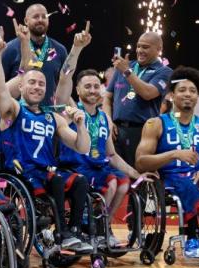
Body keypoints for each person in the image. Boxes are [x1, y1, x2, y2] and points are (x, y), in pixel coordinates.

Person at [0, 27, 92, 252]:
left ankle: (74, 231)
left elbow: (82, 147)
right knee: (55, 179)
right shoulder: (13, 111)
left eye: (41, 84)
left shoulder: (53, 117)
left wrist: (82, 126)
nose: (37, 87)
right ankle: (61, 233)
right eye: (32, 83)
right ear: (21, 86)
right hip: (21, 172)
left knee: (80, 180)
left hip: (45, 172)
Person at [135, 67, 199, 258]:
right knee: (189, 182)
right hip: (170, 179)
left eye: (193, 91)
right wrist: (174, 154)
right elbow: (141, 162)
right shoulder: (155, 124)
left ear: (197, 96)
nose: (188, 94)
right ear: (171, 95)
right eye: (182, 90)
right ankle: (197, 236)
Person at [56, 66, 151, 247]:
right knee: (112, 183)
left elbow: (112, 154)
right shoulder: (70, 113)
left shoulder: (105, 118)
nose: (92, 90)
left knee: (123, 183)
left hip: (98, 167)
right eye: (87, 86)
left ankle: (104, 225)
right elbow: (62, 92)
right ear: (77, 90)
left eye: (96, 86)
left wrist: (135, 173)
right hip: (76, 167)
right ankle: (94, 226)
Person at [103, 32, 173, 167]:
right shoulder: (125, 66)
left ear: (159, 49)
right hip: (116, 130)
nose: (140, 50)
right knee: (116, 176)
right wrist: (108, 120)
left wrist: (127, 72)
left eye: (145, 47)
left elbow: (147, 93)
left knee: (138, 174)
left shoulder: (164, 72)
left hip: (142, 132)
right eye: (138, 46)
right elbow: (107, 96)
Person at [2, 5, 69, 106]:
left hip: (49, 116)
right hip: (18, 115)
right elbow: (0, 85)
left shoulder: (60, 50)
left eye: (44, 16)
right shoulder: (10, 49)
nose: (40, 20)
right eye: (36, 17)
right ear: (26, 21)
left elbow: (64, 85)